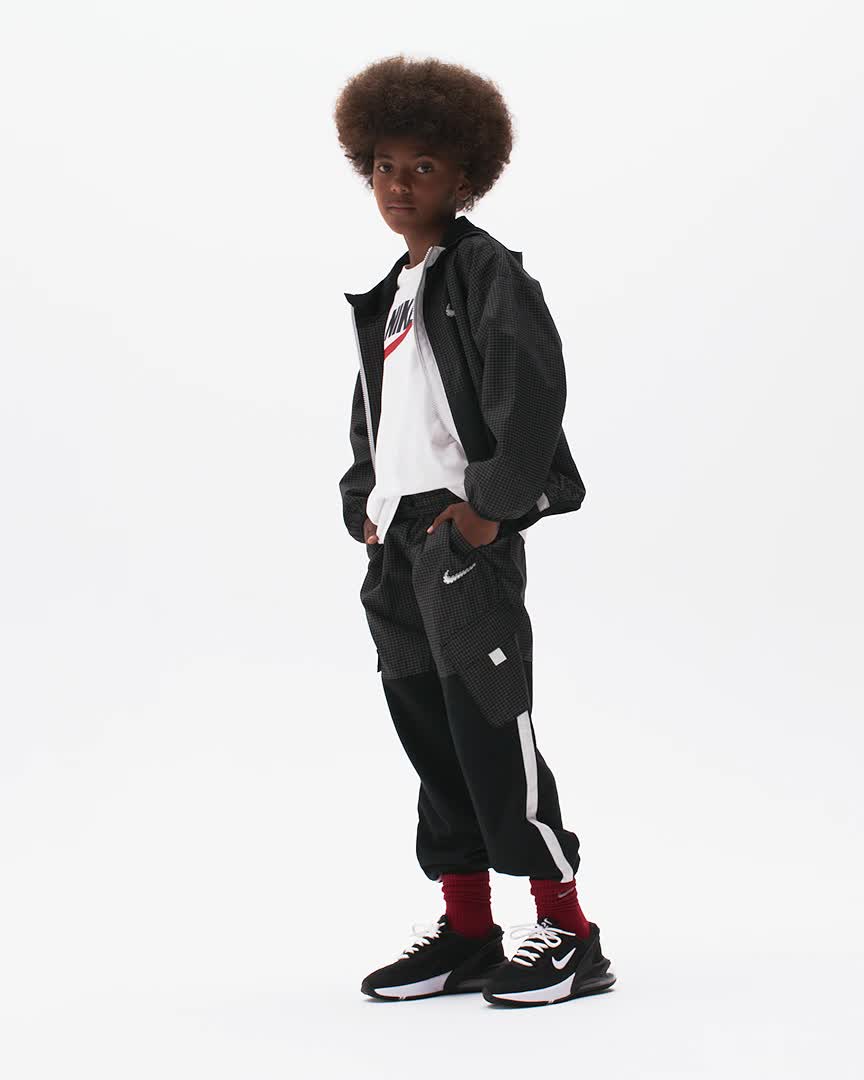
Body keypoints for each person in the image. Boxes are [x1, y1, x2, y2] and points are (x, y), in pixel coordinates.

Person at [333, 54, 615, 1008]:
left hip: (464, 543)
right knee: (431, 735)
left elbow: (529, 391)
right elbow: (378, 415)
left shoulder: (487, 273)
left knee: (494, 732)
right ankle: (466, 929)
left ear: (466, 174)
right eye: (384, 165)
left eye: (423, 166)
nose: (399, 184)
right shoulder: (394, 290)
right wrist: (365, 503)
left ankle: (569, 932)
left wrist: (490, 509)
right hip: (400, 545)